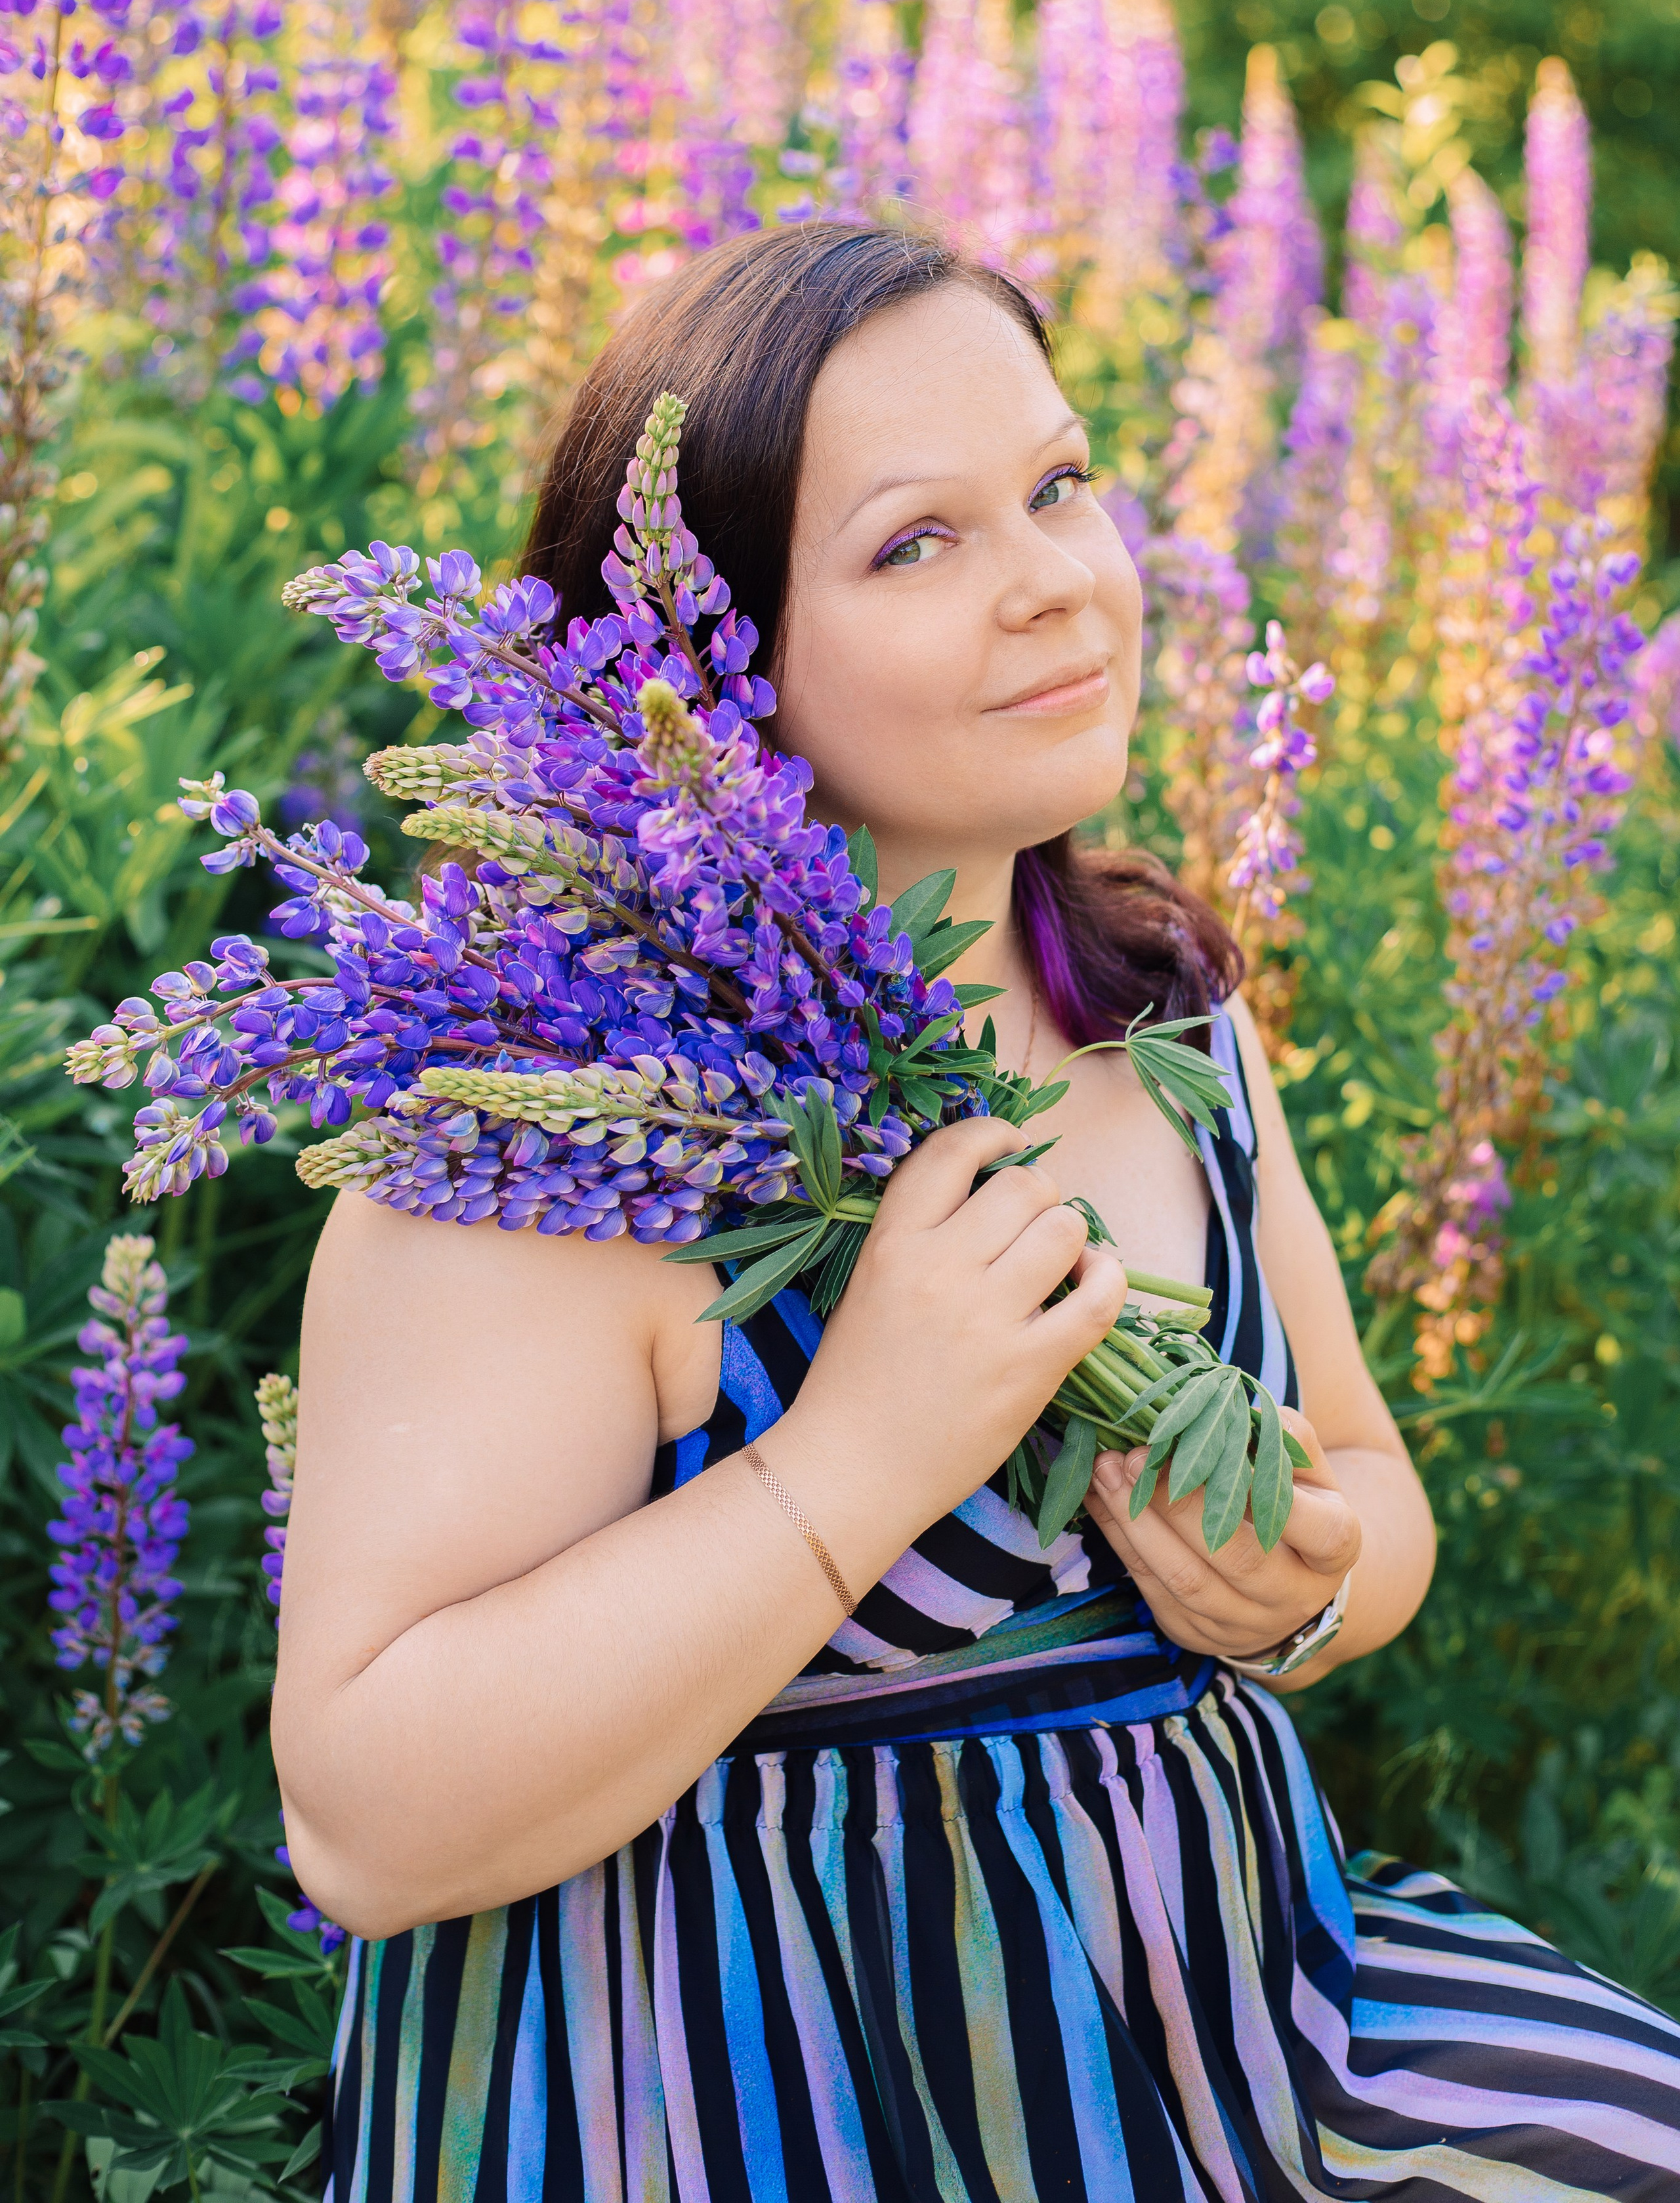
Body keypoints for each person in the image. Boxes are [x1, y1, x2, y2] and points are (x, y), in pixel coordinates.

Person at [276, 225, 1680, 2201]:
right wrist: (856, 1455)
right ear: (706, 659)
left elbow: (1373, 1487)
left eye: (1060, 483)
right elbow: (364, 1823)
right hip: (731, 2099)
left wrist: (1307, 1583)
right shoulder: (561, 1122)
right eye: (916, 543)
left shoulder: (1165, 1018)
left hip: (1230, 2032)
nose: (1053, 580)